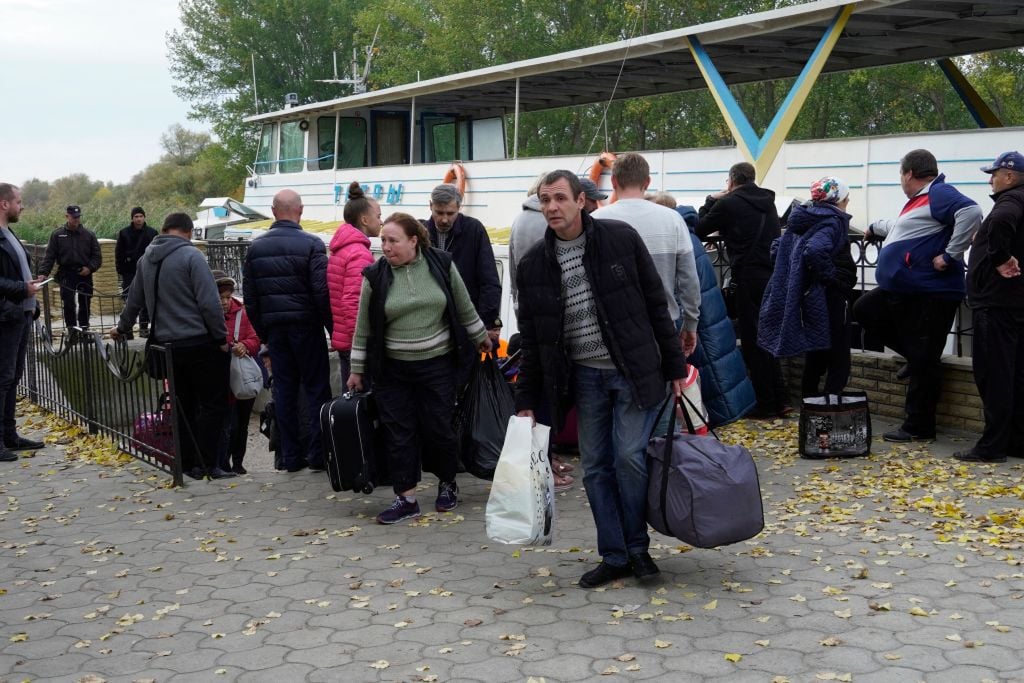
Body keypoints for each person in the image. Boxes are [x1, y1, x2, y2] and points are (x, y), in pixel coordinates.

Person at [514, 170, 688, 588]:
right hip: (584, 378)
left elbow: (655, 304)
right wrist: (526, 399)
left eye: (559, 198)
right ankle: (615, 555)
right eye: (544, 199)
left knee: (629, 457)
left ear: (581, 200)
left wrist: (675, 368)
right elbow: (533, 340)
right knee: (595, 468)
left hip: (632, 372)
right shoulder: (534, 264)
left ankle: (638, 549)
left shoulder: (620, 239)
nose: (551, 207)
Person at [347, 212, 491, 524]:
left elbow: (464, 304)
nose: (385, 247)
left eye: (393, 241)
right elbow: (363, 328)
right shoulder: (375, 276)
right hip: (393, 371)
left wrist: (481, 336)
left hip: (437, 365)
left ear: (414, 241)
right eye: (383, 240)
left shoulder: (440, 263)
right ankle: (406, 498)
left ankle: (447, 483)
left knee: (438, 428)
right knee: (399, 433)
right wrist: (357, 369)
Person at [852, 149, 982, 442]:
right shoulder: (921, 201)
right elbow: (901, 229)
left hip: (932, 292)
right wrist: (875, 227)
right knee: (864, 310)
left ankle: (919, 427)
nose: (901, 180)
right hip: (911, 289)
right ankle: (914, 356)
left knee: (926, 359)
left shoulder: (941, 193)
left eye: (901, 174)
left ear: (909, 173)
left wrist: (949, 255)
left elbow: (971, 212)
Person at [111, 213, 235, 480]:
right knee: (213, 405)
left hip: (167, 347)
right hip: (200, 344)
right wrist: (221, 338)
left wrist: (122, 328)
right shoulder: (193, 258)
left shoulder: (146, 260)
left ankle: (187, 464)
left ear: (165, 230)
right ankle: (208, 463)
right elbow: (209, 304)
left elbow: (134, 300)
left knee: (182, 407)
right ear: (189, 232)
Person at [243, 189, 332, 473]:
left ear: (273, 211)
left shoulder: (256, 248)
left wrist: (264, 334)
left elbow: (251, 299)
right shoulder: (312, 244)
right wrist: (330, 327)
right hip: (307, 327)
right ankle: (318, 455)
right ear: (301, 211)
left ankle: (291, 457)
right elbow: (321, 292)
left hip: (276, 330)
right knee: (317, 389)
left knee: (284, 392)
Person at [649, 193, 756, 426]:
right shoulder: (689, 234)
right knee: (717, 372)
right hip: (709, 315)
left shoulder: (675, 238)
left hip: (698, 320)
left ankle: (703, 423)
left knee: (710, 377)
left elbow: (679, 288)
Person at [696, 162, 790, 418]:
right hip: (769, 275)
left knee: (752, 341)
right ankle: (780, 398)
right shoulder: (768, 201)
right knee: (767, 337)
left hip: (747, 277)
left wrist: (709, 200)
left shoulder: (729, 203)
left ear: (731, 181)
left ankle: (768, 403)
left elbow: (700, 227)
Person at [758, 177, 857, 396]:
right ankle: (830, 410)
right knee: (839, 357)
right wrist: (832, 277)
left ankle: (809, 406)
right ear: (837, 199)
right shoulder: (832, 220)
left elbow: (777, 248)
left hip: (809, 294)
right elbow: (814, 250)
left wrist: (800, 273)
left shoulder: (804, 218)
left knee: (817, 351)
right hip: (830, 295)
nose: (847, 202)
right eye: (846, 198)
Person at [593, 153, 700, 355]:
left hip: (611, 327)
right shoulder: (673, 219)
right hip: (662, 325)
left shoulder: (595, 221)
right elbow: (689, 280)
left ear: (614, 181)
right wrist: (691, 322)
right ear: (647, 181)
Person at [955, 151, 1024, 463]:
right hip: (1012, 302)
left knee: (993, 374)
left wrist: (998, 258)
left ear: (1008, 176)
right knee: (1013, 374)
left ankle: (992, 446)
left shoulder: (1010, 202)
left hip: (996, 304)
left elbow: (999, 223)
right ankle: (1014, 441)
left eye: (994, 173)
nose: (991, 179)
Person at [509, 176, 607, 310]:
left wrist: (517, 304)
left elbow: (513, 272)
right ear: (580, 200)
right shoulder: (560, 224)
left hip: (532, 305)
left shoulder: (518, 220)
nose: (553, 208)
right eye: (547, 199)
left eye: (561, 198)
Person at [0, 183, 46, 463]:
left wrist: (32, 288)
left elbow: (17, 272)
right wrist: (21, 289)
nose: (22, 205)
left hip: (21, 314)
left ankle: (9, 435)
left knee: (13, 377)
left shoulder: (9, 233)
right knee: (2, 379)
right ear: (4, 204)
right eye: (18, 201)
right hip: (6, 316)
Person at [423, 184, 502, 342]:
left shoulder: (474, 230)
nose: (444, 219)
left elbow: (489, 280)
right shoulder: (420, 231)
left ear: (459, 207)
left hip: (467, 323)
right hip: (430, 325)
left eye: (451, 213)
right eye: (439, 212)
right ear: (430, 206)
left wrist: (484, 324)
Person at [328, 181, 380, 388]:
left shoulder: (342, 249)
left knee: (351, 406)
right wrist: (361, 345)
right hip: (353, 346)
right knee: (361, 407)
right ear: (365, 219)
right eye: (378, 216)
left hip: (343, 340)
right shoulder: (359, 253)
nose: (381, 221)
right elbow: (353, 302)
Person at [214, 270, 261, 474]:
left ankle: (238, 462)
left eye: (227, 297)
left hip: (241, 376)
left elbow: (255, 337)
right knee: (227, 424)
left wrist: (245, 345)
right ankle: (222, 462)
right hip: (222, 376)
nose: (225, 302)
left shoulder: (242, 312)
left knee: (241, 423)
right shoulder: (207, 315)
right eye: (220, 297)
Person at [38, 205, 102, 341]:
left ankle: (84, 330)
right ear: (67, 216)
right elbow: (50, 256)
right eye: (73, 217)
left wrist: (90, 268)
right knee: (68, 304)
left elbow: (97, 256)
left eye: (78, 217)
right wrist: (43, 272)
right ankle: (72, 332)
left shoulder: (89, 235)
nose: (76, 220)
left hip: (84, 273)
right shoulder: (57, 234)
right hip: (66, 274)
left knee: (85, 302)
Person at [115, 207, 158, 338]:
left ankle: (144, 327)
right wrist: (121, 270)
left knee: (147, 298)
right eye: (136, 216)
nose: (139, 219)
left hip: (147, 270)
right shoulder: (124, 233)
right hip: (129, 271)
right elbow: (119, 253)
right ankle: (127, 330)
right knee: (129, 299)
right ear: (132, 218)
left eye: (141, 216)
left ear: (144, 217)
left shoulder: (152, 233)